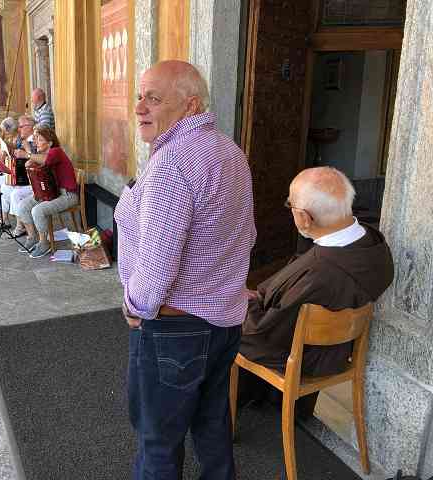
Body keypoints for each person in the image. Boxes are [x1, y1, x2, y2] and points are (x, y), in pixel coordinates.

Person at [114, 60, 256, 480]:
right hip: (224, 323)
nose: (140, 106)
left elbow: (157, 267)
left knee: (157, 442)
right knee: (212, 426)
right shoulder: (229, 151)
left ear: (190, 104)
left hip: (175, 329)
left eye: (154, 98)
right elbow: (247, 236)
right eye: (140, 95)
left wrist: (135, 306)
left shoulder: (172, 162)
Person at [238, 166, 394, 417]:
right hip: (336, 348)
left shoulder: (320, 274)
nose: (290, 211)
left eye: (290, 205)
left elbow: (261, 332)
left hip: (308, 358)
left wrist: (244, 303)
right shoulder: (373, 243)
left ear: (305, 218)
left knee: (223, 323)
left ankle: (230, 406)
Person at [17, 125, 78, 258]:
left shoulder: (56, 151)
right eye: (35, 139)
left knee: (37, 210)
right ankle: (32, 237)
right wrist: (31, 160)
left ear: (49, 142)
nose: (36, 142)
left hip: (67, 195)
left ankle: (44, 243)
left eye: (39, 139)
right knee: (22, 205)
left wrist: (27, 154)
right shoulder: (42, 154)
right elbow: (30, 166)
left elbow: (45, 160)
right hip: (51, 192)